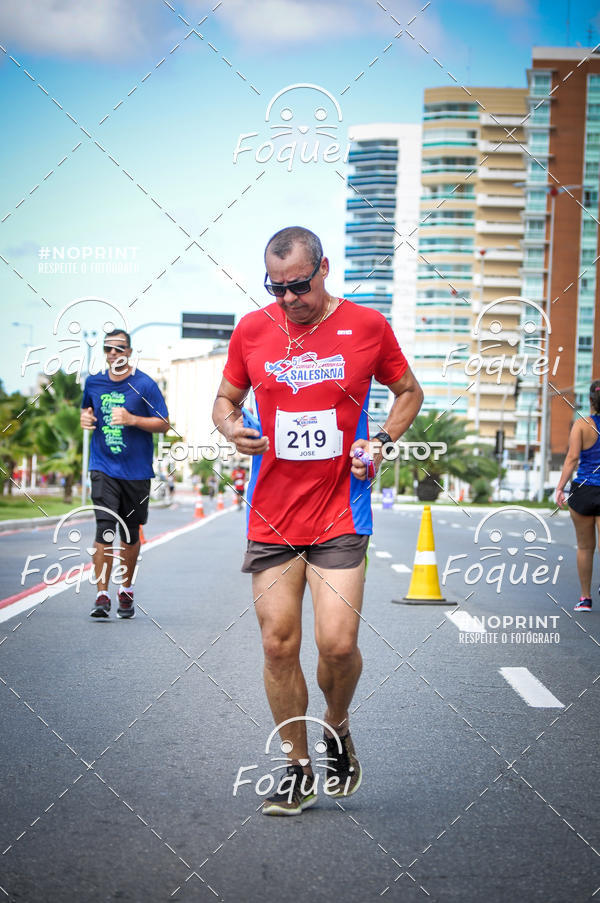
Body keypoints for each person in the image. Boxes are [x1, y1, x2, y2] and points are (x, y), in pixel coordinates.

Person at [212, 226, 423, 815]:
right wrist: (233, 429)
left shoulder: (367, 326)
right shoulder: (253, 330)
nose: (288, 299)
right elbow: (223, 402)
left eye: (299, 286)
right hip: (272, 514)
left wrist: (379, 441)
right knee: (279, 645)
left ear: (324, 269)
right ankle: (297, 767)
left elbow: (409, 391)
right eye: (276, 288)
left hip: (339, 508)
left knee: (338, 644)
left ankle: (336, 724)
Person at [81, 329, 170, 619]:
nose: (113, 354)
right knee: (104, 528)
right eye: (108, 349)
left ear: (129, 352)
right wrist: (85, 418)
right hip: (103, 467)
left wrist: (132, 419)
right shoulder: (93, 382)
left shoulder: (144, 384)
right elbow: (87, 412)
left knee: (129, 534)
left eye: (119, 349)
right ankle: (102, 595)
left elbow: (164, 423)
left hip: (136, 471)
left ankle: (126, 589)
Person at [555, 379, 600, 611]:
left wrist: (560, 487)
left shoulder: (581, 425)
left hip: (583, 490)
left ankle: (585, 599)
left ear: (590, 400)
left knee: (585, 547)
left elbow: (572, 459)